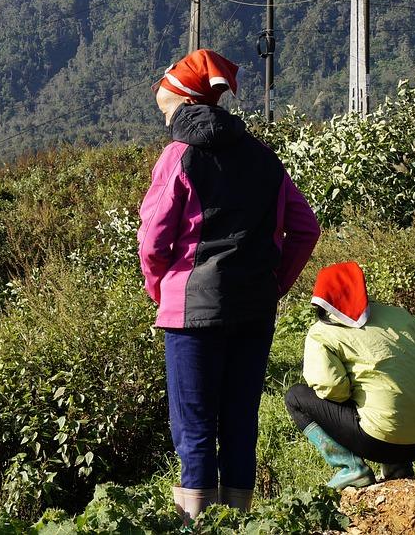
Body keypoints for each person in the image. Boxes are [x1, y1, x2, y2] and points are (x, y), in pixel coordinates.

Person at [138, 49, 321, 519]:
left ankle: (197, 526)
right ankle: (239, 524)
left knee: (194, 428)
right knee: (240, 422)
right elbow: (305, 229)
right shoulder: (264, 158)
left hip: (191, 313)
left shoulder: (178, 156)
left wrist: (162, 290)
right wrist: (274, 284)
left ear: (181, 100)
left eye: (164, 99)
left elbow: (154, 240)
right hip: (254, 307)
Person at [285, 260, 415, 488]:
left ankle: (352, 469)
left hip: (378, 442)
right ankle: (399, 467)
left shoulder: (322, 333)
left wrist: (354, 398)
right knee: (392, 388)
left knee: (296, 396)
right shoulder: (399, 315)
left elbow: (331, 388)